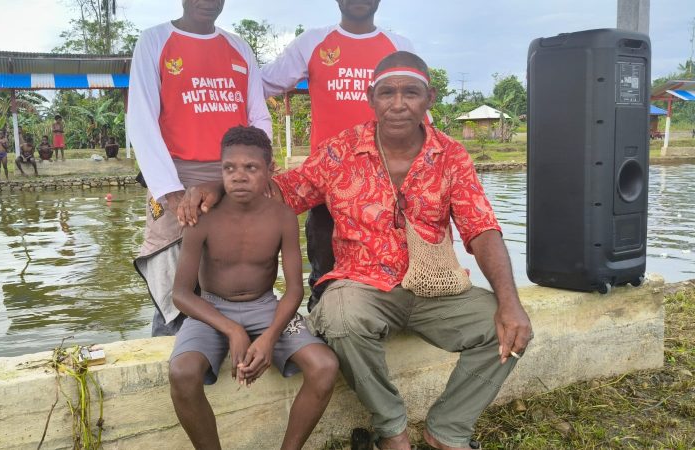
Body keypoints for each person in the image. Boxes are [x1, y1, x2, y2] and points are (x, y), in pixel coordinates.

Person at [179, 52, 533, 450]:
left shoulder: (452, 156)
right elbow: (279, 190)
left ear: (429, 98)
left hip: (434, 287)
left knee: (506, 327)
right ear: (371, 97)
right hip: (361, 287)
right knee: (341, 318)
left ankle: (448, 430)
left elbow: (482, 229)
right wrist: (213, 187)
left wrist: (509, 302)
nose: (398, 104)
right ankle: (392, 431)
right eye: (387, 93)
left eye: (411, 93)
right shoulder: (339, 152)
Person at [169, 125, 338, 450]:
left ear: (270, 171)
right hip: (211, 311)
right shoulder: (202, 218)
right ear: (220, 171)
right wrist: (233, 330)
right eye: (229, 168)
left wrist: (270, 336)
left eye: (251, 168)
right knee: (182, 373)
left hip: (265, 307)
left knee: (325, 366)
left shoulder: (283, 218)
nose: (239, 177)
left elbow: (293, 291)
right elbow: (181, 294)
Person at [127, 0, 272, 337]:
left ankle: (232, 338)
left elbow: (258, 114)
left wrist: (257, 169)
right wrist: (171, 192)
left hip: (233, 176)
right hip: (177, 173)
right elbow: (142, 120)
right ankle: (172, 349)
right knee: (174, 276)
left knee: (234, 263)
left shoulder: (238, 46)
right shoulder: (154, 41)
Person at [261, 0, 414, 311]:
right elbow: (259, 83)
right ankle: (321, 345)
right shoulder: (313, 42)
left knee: (394, 275)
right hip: (326, 187)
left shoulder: (399, 45)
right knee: (324, 278)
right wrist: (255, 145)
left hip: (389, 186)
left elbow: (416, 106)